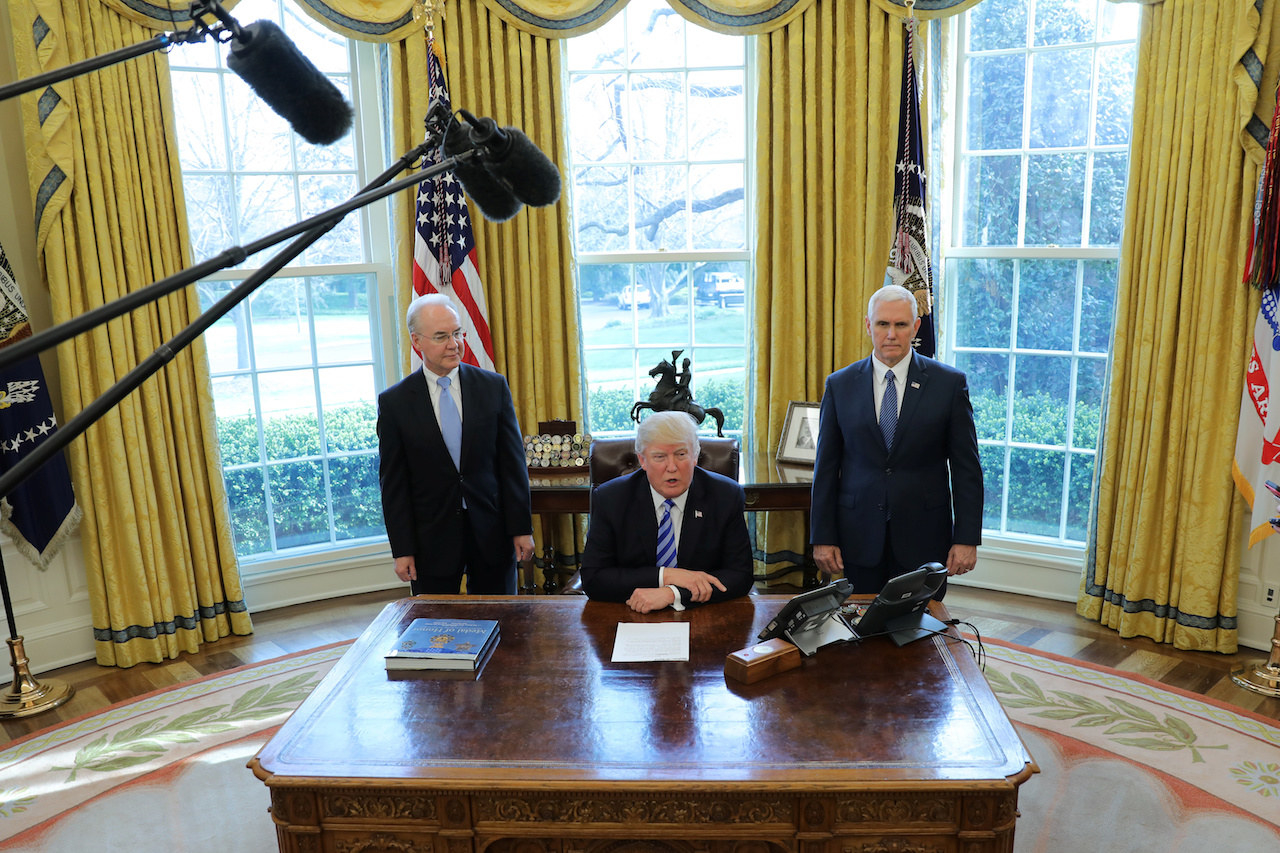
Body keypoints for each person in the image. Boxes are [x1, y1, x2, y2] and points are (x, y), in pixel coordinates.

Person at [810, 284, 982, 599]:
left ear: (915, 327)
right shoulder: (840, 385)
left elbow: (966, 468)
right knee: (862, 634)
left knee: (922, 635)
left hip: (925, 537)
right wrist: (823, 536)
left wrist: (967, 538)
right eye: (882, 324)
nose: (891, 334)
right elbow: (826, 467)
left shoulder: (949, 385)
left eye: (900, 325)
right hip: (858, 536)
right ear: (868, 325)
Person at [377, 293, 534, 595]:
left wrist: (521, 528)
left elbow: (512, 466)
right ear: (416, 342)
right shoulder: (395, 403)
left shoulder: (493, 387)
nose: (454, 343)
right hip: (431, 539)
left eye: (457, 333)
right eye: (441, 336)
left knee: (502, 623)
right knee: (436, 631)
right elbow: (394, 484)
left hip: (491, 532)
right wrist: (402, 549)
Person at [580, 410, 753, 612]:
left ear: (695, 456)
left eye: (681, 454)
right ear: (643, 460)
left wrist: (673, 592)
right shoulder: (611, 498)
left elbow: (740, 575)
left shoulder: (725, 496)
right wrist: (667, 575)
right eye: (659, 457)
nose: (672, 467)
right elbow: (594, 578)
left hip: (702, 614)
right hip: (630, 615)